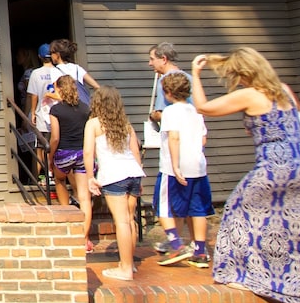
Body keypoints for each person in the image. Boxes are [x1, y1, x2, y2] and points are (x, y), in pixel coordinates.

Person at [191, 47, 300, 303]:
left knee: (237, 211)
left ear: (244, 72)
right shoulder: (284, 90)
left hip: (276, 168)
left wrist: (196, 74)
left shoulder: (250, 94)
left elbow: (203, 107)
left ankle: (244, 276)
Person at [152, 72, 214, 267]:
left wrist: (176, 166)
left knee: (163, 207)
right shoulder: (197, 111)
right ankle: (200, 252)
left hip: (173, 168)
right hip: (198, 167)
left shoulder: (170, 112)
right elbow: (203, 139)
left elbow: (174, 137)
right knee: (197, 209)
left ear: (168, 92)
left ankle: (177, 245)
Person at [85, 86, 146, 281]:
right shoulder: (125, 123)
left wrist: (90, 177)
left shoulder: (93, 124)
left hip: (113, 175)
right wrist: (139, 177)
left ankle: (125, 268)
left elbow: (88, 152)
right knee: (130, 220)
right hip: (133, 173)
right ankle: (128, 263)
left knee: (121, 222)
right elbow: (135, 151)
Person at [49, 75, 94, 252]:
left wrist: (50, 157)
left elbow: (55, 138)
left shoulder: (56, 110)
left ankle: (66, 216)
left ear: (59, 89)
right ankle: (84, 239)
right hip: (83, 154)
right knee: (84, 197)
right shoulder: (85, 108)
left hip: (64, 153)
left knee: (60, 181)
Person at [25, 43, 56, 179]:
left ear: (39, 57)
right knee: (55, 147)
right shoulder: (59, 71)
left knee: (40, 149)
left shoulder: (35, 73)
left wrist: (32, 112)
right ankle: (52, 176)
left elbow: (33, 95)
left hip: (42, 115)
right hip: (57, 114)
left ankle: (39, 178)